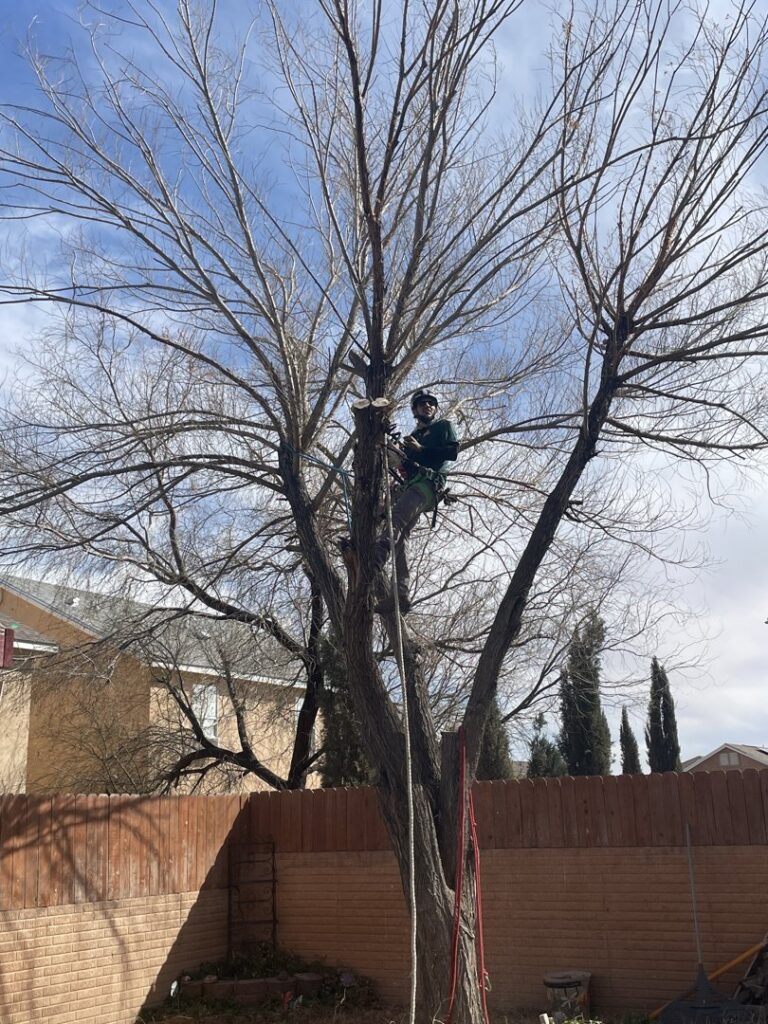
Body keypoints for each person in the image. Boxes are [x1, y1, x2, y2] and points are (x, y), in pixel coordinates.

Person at [373, 389, 459, 614]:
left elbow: (451, 452)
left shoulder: (443, 427)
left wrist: (421, 450)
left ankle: (377, 557)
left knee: (397, 520)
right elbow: (403, 464)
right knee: (401, 537)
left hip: (428, 485)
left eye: (431, 403)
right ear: (415, 410)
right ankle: (401, 594)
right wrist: (395, 450)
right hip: (413, 485)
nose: (428, 406)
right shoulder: (414, 436)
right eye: (422, 404)